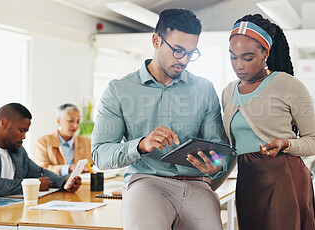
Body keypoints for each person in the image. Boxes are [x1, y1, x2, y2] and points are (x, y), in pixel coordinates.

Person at [92, 8, 235, 230]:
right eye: (178, 51)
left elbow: (219, 150)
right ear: (156, 40)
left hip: (196, 185)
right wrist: (140, 145)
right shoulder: (119, 90)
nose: (185, 60)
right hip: (147, 183)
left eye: (191, 53)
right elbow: (100, 154)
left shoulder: (204, 89)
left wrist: (214, 166)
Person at [222, 14, 315, 229]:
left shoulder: (289, 86)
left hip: (284, 179)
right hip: (248, 182)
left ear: (265, 53)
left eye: (247, 58)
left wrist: (287, 144)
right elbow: (230, 146)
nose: (238, 65)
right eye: (232, 57)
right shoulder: (228, 92)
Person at [0, 103, 82, 197]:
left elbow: (39, 172)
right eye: (21, 130)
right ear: (5, 123)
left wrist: (64, 182)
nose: (24, 137)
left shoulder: (19, 151)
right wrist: (33, 185)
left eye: (25, 132)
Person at [34, 104, 93, 176]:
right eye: (71, 121)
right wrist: (69, 168)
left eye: (78, 121)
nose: (75, 126)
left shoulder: (87, 142)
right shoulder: (44, 142)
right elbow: (41, 170)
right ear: (58, 121)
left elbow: (95, 167)